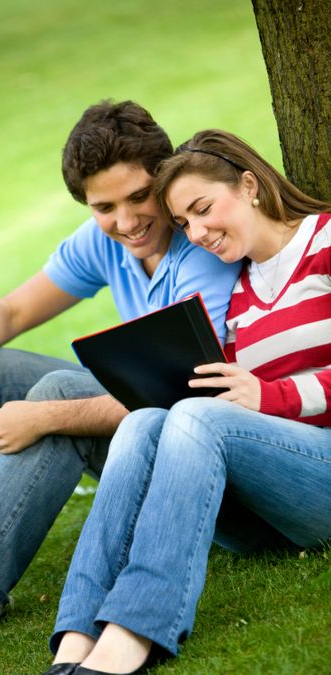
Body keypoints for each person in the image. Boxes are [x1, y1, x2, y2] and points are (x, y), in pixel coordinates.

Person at [0, 105, 240, 670]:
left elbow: (180, 402)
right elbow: (12, 308)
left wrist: (44, 417)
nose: (126, 221)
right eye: (104, 207)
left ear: (165, 177)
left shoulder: (203, 253)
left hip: (191, 454)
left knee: (54, 397)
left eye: (140, 197)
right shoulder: (105, 241)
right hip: (146, 418)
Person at [45, 129, 331, 675]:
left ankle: (134, 631)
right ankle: (77, 638)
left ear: (249, 185)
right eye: (184, 224)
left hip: (322, 475)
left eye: (203, 210)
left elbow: (261, 403)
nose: (197, 233)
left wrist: (272, 396)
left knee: (198, 416)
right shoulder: (241, 288)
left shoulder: (326, 240)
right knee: (145, 420)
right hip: (274, 508)